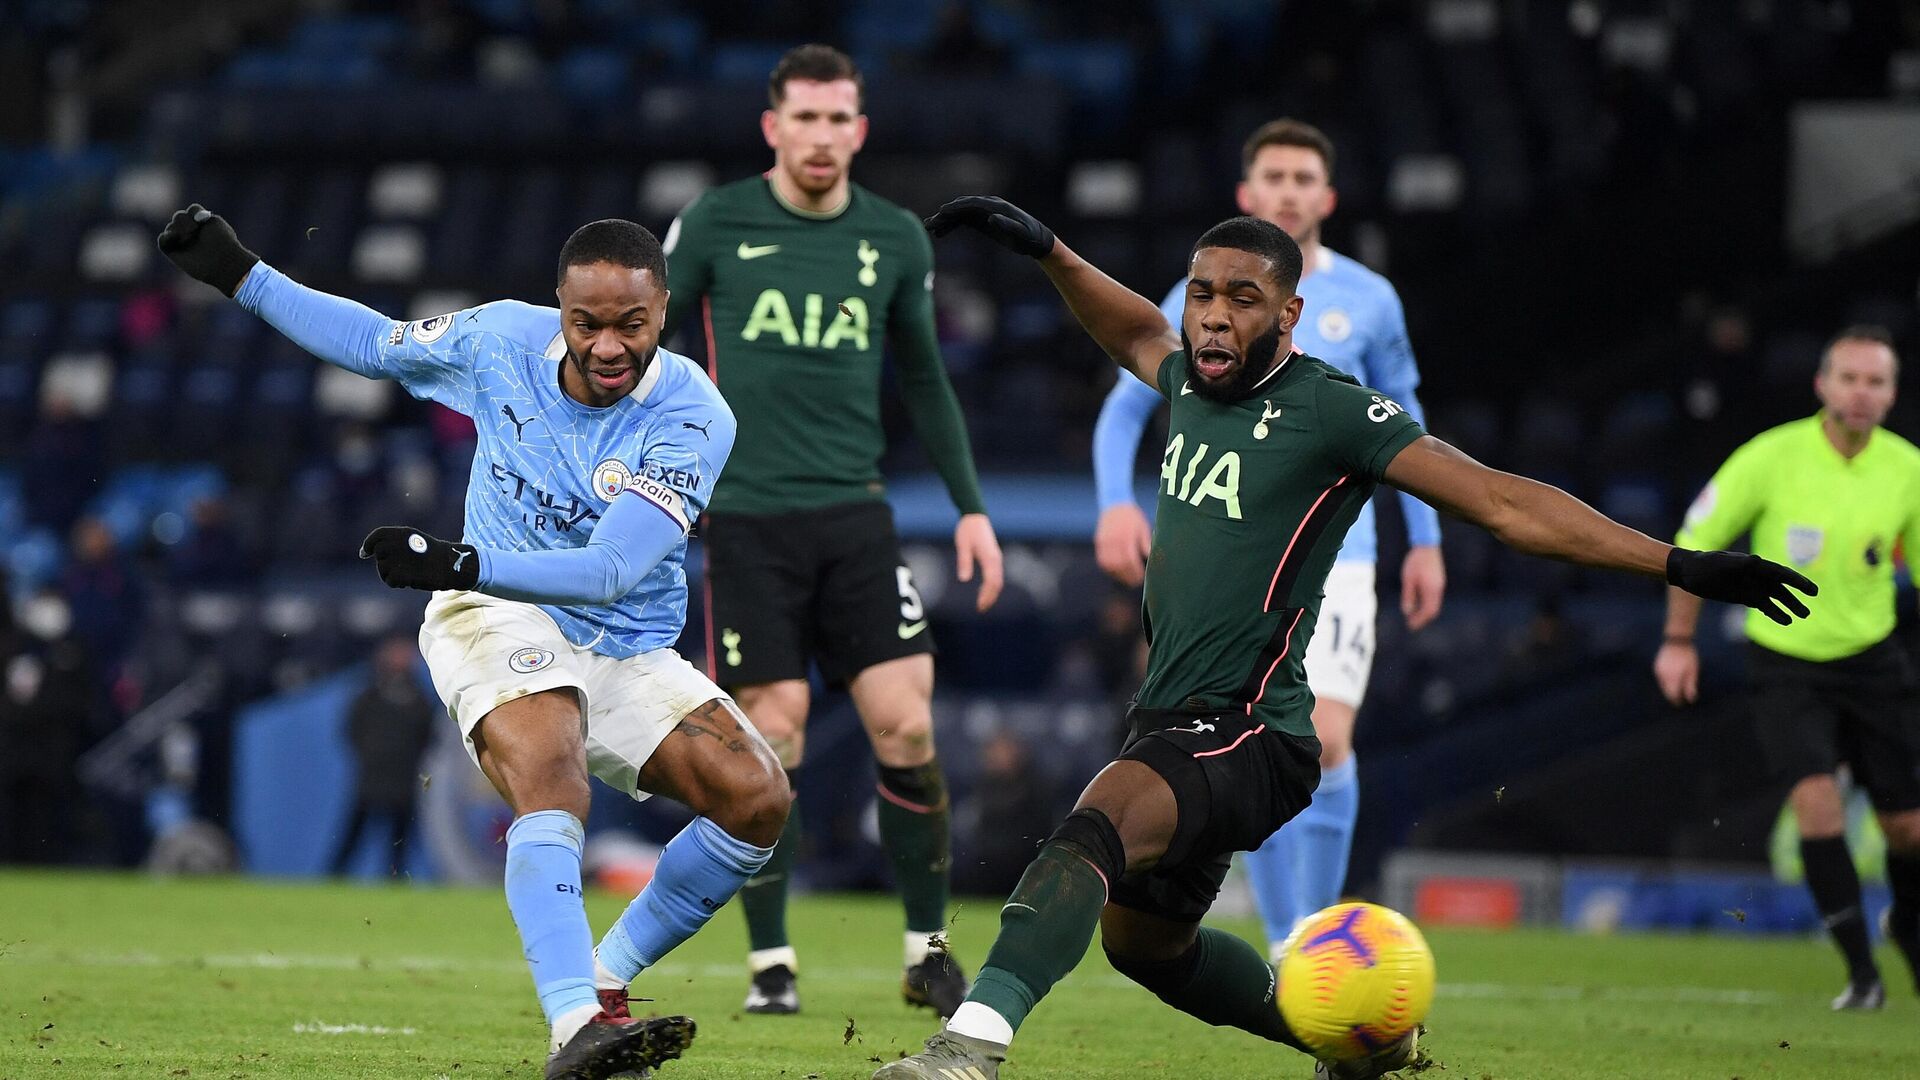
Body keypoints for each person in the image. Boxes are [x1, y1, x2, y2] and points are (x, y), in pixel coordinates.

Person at [878, 197, 1815, 1080]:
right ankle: (1361, 1043)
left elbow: (1497, 499)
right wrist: (1049, 249)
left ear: (1288, 315)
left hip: (1252, 729)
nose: (1212, 317)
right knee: (1147, 948)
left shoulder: (1331, 411)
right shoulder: (1189, 379)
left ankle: (970, 1048)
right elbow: (1132, 328)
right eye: (1202, 293)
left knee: (1096, 828)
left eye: (1241, 299)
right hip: (1172, 716)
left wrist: (1677, 565)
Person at [157, 204, 789, 1080]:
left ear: (664, 312)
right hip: (494, 614)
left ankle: (602, 978)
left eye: (632, 326)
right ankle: (577, 1029)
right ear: (560, 310)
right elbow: (375, 345)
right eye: (588, 323)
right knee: (554, 779)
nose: (609, 346)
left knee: (757, 798)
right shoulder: (497, 340)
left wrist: (463, 556)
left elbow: (609, 569)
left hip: (620, 639)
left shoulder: (691, 414)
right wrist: (243, 275)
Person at [660, 44, 1001, 1018]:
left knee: (905, 720)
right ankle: (772, 964)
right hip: (748, 519)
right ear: (772, 127)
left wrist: (971, 505)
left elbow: (927, 379)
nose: (821, 136)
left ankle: (928, 950)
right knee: (773, 739)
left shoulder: (896, 239)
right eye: (803, 118)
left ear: (861, 129)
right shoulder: (717, 223)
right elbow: (650, 346)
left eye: (838, 118)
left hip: (855, 513)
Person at [1091, 118, 1444, 956]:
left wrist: (1423, 540)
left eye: (1304, 179)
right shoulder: (1204, 298)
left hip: (1342, 558)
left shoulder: (1371, 300)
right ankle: (1292, 940)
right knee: (1255, 734)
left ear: (1328, 197)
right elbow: (1124, 406)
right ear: (1249, 195)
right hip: (1237, 558)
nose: (1288, 191)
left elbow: (1413, 428)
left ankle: (1310, 935)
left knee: (1326, 738)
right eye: (1273, 178)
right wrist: (1114, 501)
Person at [1654, 325, 1920, 1011]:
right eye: (1850, 379)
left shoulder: (1907, 470)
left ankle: (1907, 923)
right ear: (1823, 385)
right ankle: (1862, 973)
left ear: (1892, 394)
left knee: (1906, 828)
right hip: (1785, 663)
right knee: (1816, 800)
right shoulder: (1771, 457)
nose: (1862, 394)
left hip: (1874, 663)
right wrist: (1678, 641)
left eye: (1876, 382)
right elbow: (1695, 545)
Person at [329, 635, 437, 879]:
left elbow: (428, 736)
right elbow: (353, 730)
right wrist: (372, 755)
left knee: (400, 839)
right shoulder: (369, 695)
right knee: (354, 835)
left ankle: (394, 878)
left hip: (403, 780)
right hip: (372, 778)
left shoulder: (419, 697)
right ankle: (335, 876)